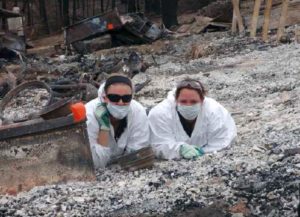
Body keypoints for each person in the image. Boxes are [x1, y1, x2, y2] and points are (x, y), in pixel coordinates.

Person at [148, 78, 237, 160]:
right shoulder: (160, 113)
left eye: (194, 102)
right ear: (175, 100)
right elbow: (158, 143)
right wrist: (180, 149)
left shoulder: (215, 112)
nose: (188, 105)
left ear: (202, 100)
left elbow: (224, 138)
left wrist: (202, 151)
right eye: (183, 101)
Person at [85, 74, 150, 168]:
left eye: (126, 98)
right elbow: (94, 163)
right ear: (104, 98)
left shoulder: (137, 110)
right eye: (114, 97)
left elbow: (138, 150)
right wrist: (104, 128)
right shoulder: (88, 114)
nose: (120, 102)